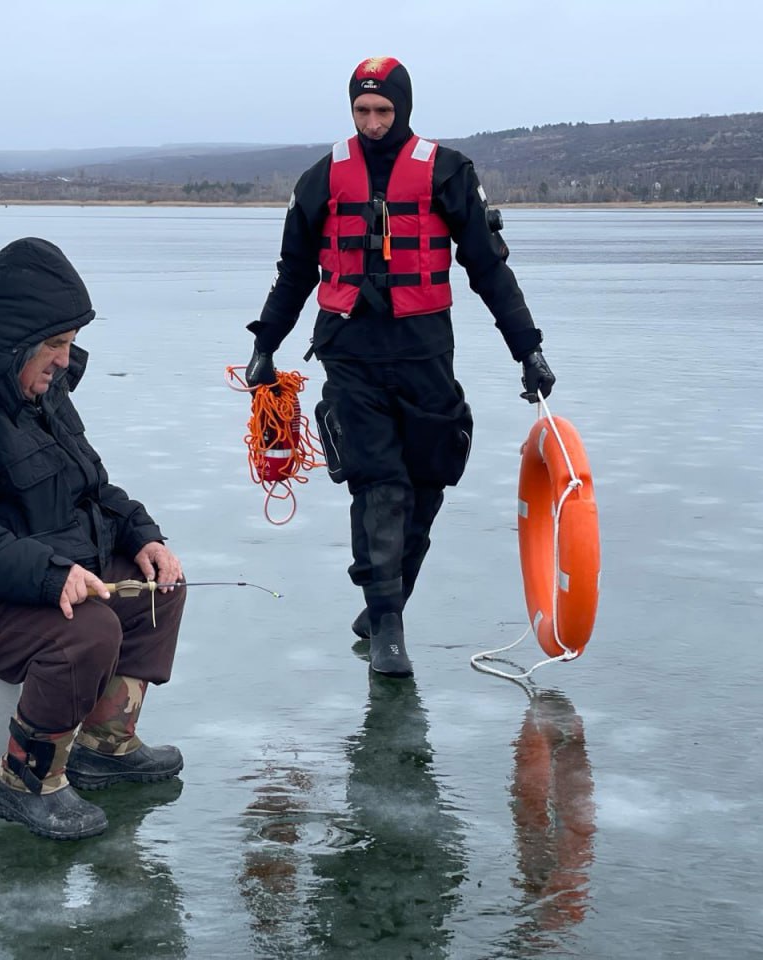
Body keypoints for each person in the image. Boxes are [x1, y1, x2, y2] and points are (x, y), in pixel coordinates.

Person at [244, 56, 556, 678]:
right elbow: (295, 271)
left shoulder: (447, 173)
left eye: (383, 111)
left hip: (424, 353)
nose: (373, 123)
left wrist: (528, 349)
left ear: (404, 109)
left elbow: (488, 269)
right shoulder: (322, 178)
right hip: (350, 353)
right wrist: (265, 343)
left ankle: (388, 600)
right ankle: (387, 622)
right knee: (378, 485)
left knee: (429, 480)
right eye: (362, 111)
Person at [0, 237, 186, 841]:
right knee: (88, 631)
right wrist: (48, 575)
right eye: (57, 345)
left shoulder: (38, 394)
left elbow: (91, 487)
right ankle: (25, 779)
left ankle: (102, 742)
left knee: (159, 590)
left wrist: (144, 537)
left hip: (36, 571)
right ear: (13, 341)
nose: (66, 361)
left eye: (69, 344)